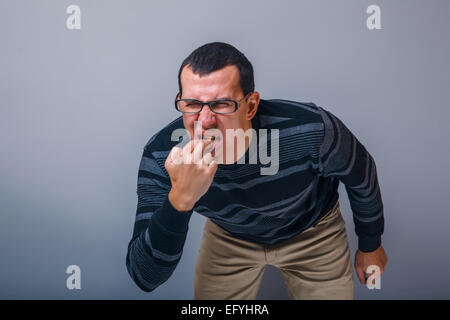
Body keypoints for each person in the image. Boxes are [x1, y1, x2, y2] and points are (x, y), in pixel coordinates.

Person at [125, 42, 388, 299]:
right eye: (192, 104)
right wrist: (180, 199)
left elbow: (361, 175)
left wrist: (370, 243)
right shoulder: (163, 155)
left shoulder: (312, 129)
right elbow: (145, 277)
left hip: (313, 230)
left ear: (251, 105)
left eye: (222, 104)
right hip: (229, 235)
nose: (204, 122)